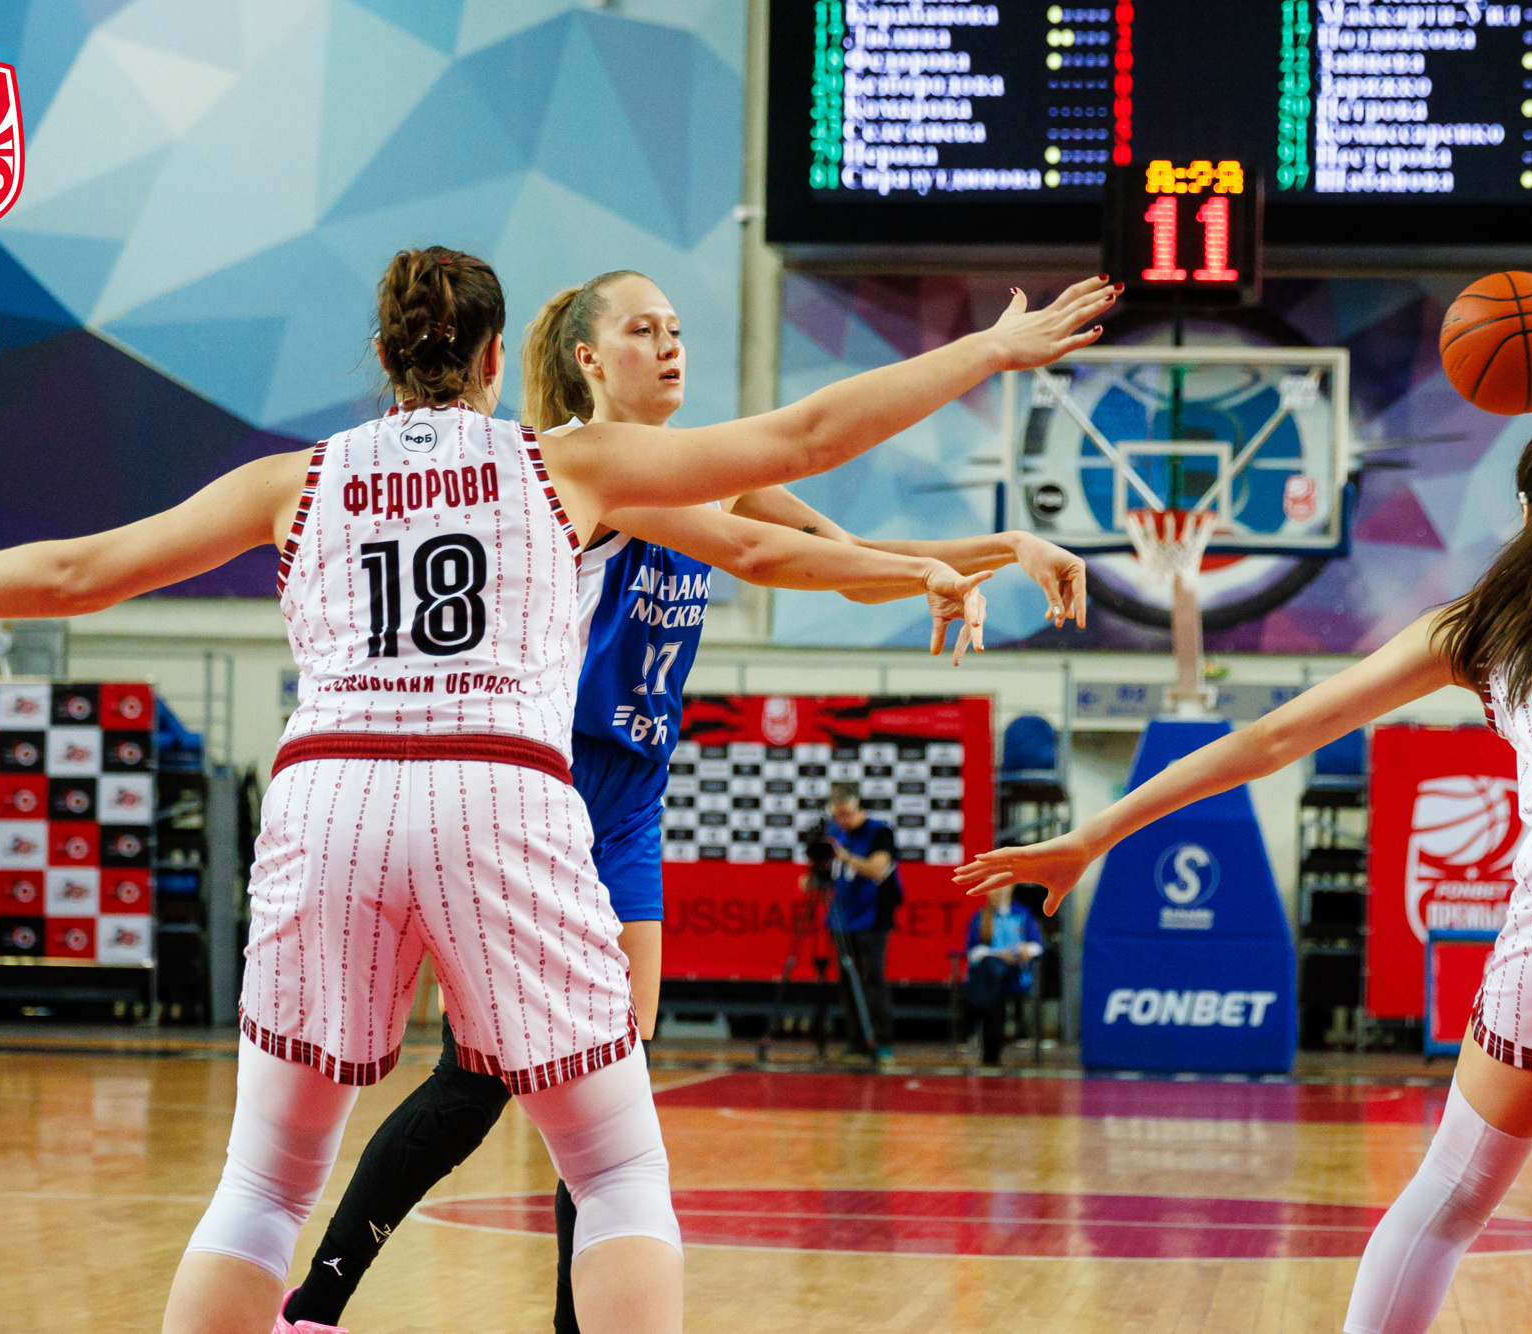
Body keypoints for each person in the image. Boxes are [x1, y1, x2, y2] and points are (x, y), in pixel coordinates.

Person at [0, 245, 1116, 1334]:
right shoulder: (567, 465)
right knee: (615, 1166)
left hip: (328, 795)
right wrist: (986, 351)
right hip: (500, 792)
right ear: (500, 358)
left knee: (261, 1186)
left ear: (386, 355)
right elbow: (806, 437)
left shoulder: (295, 480)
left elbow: (76, 573)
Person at [282, 268, 1097, 1334]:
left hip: (631, 801)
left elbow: (848, 561)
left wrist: (1007, 548)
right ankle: (316, 1303)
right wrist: (932, 550)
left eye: (676, 327)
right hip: (546, 788)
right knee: (478, 1083)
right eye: (644, 329)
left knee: (608, 1082)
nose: (671, 344)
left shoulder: (713, 479)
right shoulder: (575, 471)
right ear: (589, 357)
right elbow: (778, 550)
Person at [957, 413, 1532, 1330]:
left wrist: (1096, 834)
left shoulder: (1481, 619)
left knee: (1452, 1195)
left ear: (1530, 510)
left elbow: (1271, 738)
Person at [818, 781, 901, 1063]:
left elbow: (877, 868)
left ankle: (882, 1040)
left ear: (858, 807)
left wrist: (845, 856)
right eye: (837, 815)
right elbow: (826, 869)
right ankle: (857, 1040)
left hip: (873, 916)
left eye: (847, 814)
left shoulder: (879, 832)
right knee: (846, 981)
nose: (842, 821)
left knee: (872, 978)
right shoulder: (834, 832)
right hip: (842, 917)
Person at [963, 882, 1044, 1067]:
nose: (998, 889)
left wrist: (1025, 949)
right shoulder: (981, 916)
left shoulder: (1023, 914)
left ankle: (974, 1012)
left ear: (1011, 888)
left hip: (1014, 974)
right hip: (990, 976)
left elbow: (1038, 946)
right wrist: (999, 954)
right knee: (992, 972)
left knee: (992, 974)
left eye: (1002, 884)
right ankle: (992, 1049)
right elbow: (972, 952)